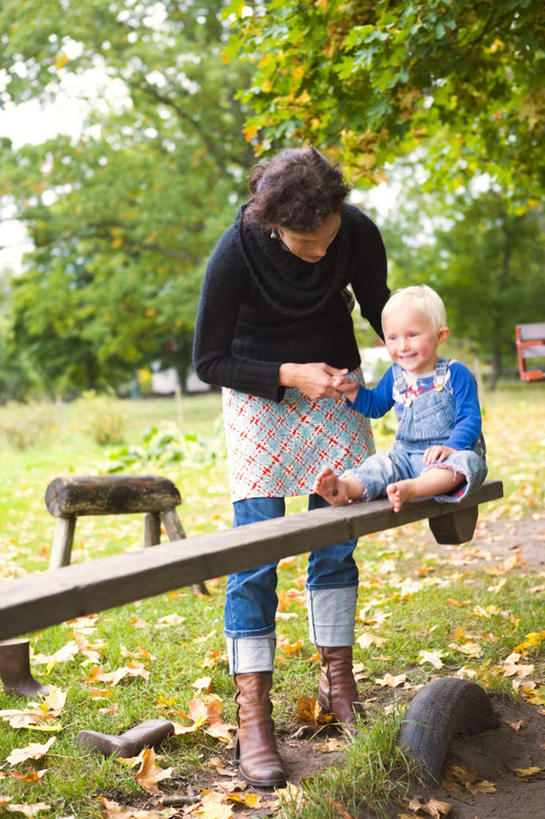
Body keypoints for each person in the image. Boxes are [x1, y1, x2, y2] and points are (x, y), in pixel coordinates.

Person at [193, 146, 390, 787]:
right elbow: (209, 361)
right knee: (256, 555)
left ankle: (340, 687)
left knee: (335, 544)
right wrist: (287, 375)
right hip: (259, 398)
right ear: (273, 222)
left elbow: (380, 308)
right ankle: (255, 716)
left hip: (335, 389)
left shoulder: (354, 229)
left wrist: (424, 366)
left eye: (327, 236)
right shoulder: (237, 250)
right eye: (306, 241)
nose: (319, 250)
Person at [314, 285, 487, 514]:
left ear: (440, 336)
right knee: (381, 463)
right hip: (405, 458)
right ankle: (345, 488)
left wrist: (452, 447)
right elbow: (376, 405)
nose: (402, 346)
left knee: (468, 463)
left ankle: (414, 488)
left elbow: (469, 419)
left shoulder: (455, 373)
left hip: (447, 458)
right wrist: (353, 391)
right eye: (392, 338)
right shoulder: (396, 375)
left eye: (412, 335)